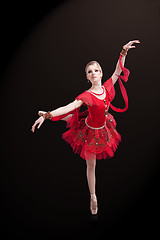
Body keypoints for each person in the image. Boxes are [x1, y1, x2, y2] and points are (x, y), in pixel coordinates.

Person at [31, 40, 140, 215]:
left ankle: (48, 114)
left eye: (96, 70)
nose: (93, 73)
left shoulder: (106, 87)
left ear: (101, 73)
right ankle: (93, 196)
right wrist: (48, 115)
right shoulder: (86, 96)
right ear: (87, 77)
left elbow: (118, 71)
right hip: (90, 130)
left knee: (71, 120)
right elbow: (68, 107)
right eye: (90, 72)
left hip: (103, 126)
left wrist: (123, 52)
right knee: (90, 162)